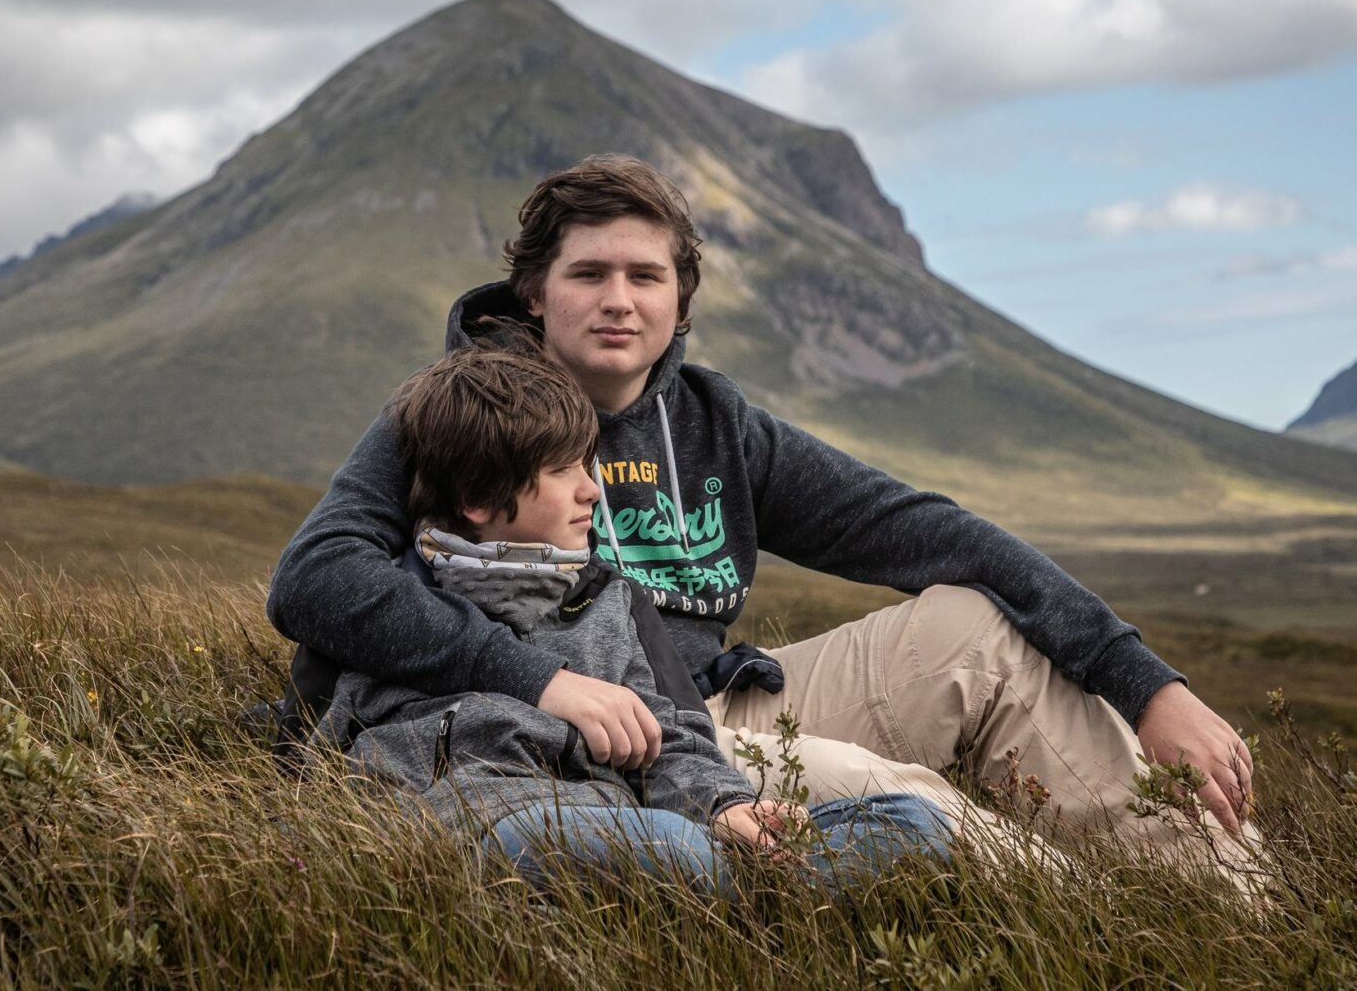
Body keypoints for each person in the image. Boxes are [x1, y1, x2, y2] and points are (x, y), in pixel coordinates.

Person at [270, 154, 1258, 881]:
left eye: (644, 276)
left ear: (680, 301)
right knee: (892, 797)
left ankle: (1232, 904)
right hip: (564, 731)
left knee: (971, 626)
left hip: (705, 708)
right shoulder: (463, 414)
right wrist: (541, 676)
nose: (618, 299)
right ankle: (1086, 918)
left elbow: (932, 532)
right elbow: (314, 580)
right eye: (587, 274)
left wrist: (1145, 684)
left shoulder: (712, 425)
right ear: (533, 292)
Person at [318, 344, 952, 896]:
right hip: (487, 819)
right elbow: (361, 749)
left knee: (918, 824)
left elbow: (667, 728)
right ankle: (771, 888)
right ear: (479, 500)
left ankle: (748, 881)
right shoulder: (391, 600)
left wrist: (724, 803)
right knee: (678, 851)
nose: (592, 490)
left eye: (587, 464)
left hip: (624, 818)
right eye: (562, 469)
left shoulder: (605, 600)